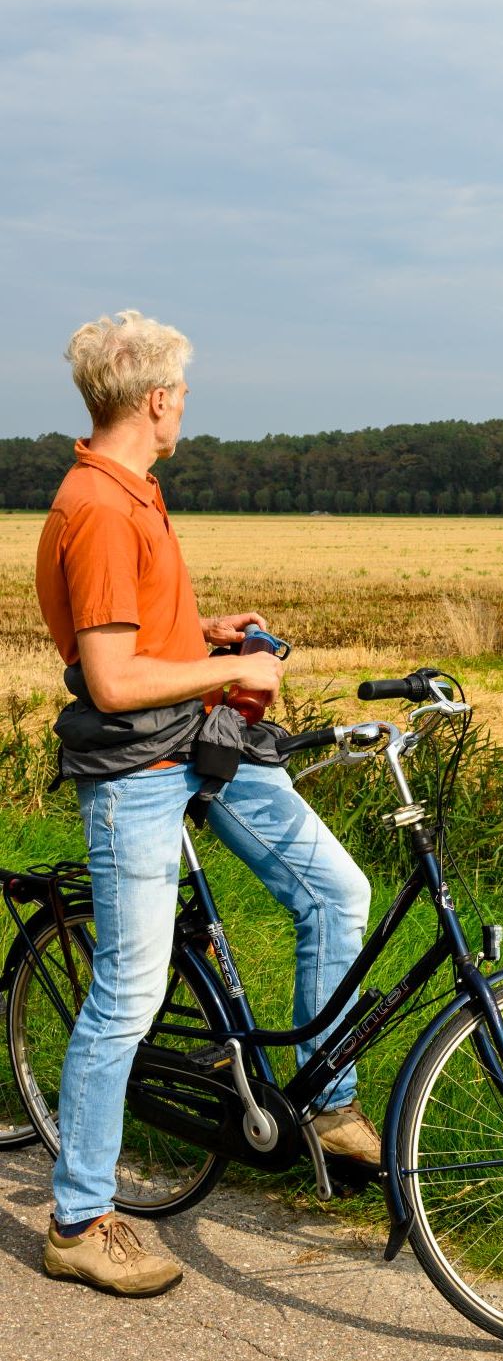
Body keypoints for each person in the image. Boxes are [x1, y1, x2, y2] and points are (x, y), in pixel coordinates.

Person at [34, 310, 375, 1298]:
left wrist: (207, 630)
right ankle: (80, 1218)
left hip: (199, 744)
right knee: (128, 999)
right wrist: (234, 671)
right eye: (181, 391)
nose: (185, 405)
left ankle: (326, 1102)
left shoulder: (136, 492)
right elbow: (108, 678)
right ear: (154, 398)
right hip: (139, 771)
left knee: (334, 891)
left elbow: (140, 634)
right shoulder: (97, 506)